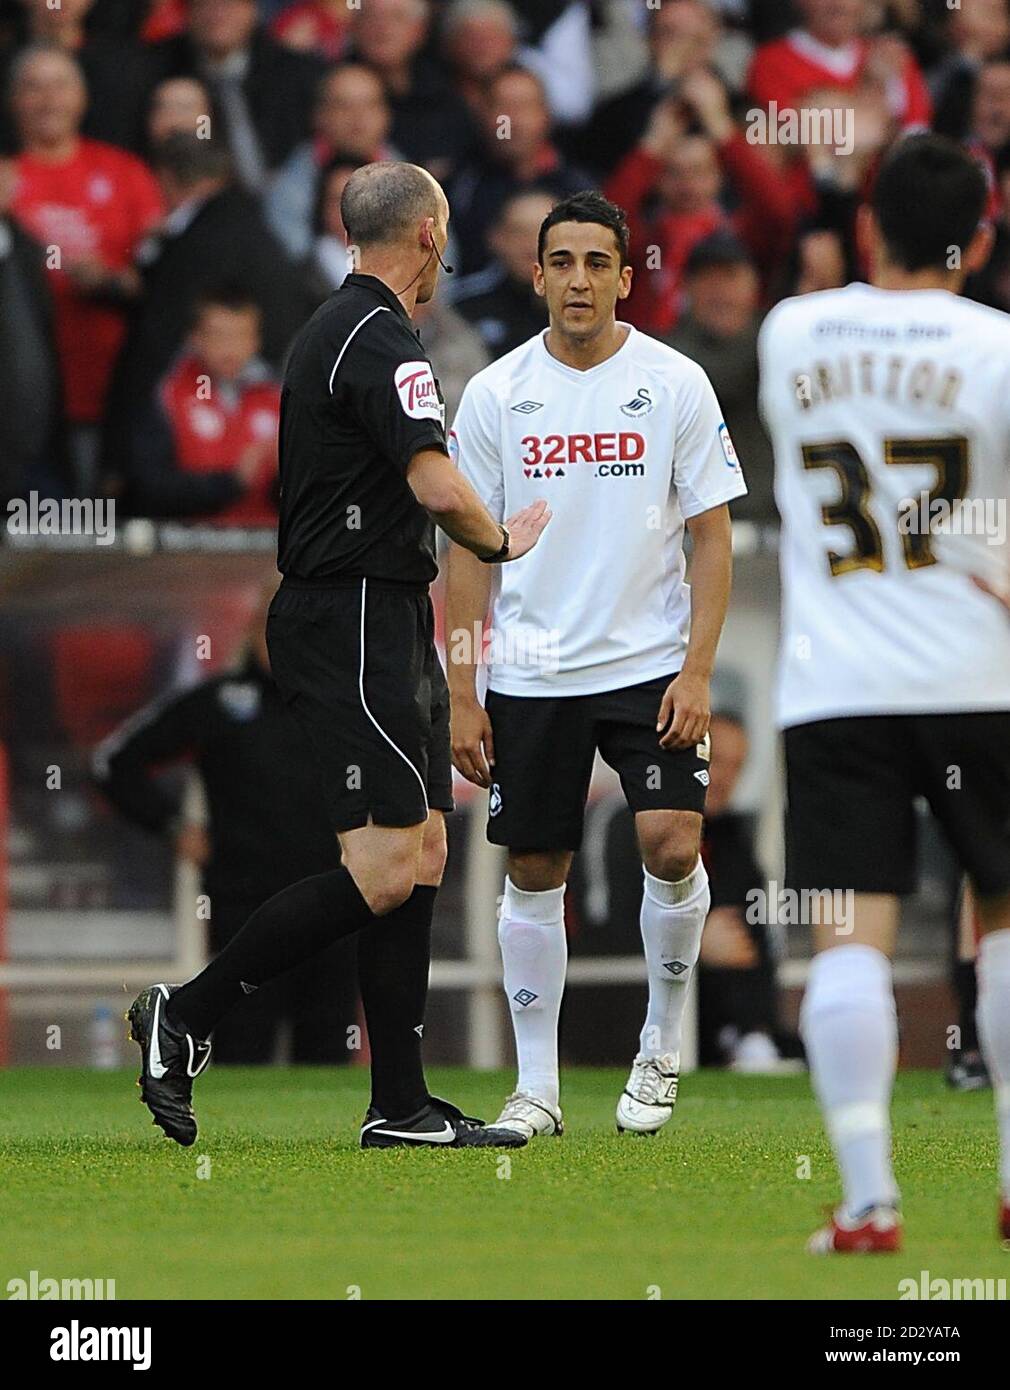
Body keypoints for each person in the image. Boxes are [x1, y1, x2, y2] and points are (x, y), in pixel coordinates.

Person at [126, 160, 551, 1151]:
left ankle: (399, 1103)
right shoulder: (377, 334)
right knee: (385, 861)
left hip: (379, 609)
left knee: (425, 846)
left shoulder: (340, 328)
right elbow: (435, 483)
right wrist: (502, 540)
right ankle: (185, 1014)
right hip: (352, 611)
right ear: (431, 235)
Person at [445, 190, 745, 1141]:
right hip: (532, 673)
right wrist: (462, 687)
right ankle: (537, 1089)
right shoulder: (495, 394)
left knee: (672, 843)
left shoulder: (676, 384)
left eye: (596, 263)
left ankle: (659, 1049)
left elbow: (713, 537)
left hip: (649, 665)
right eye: (561, 262)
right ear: (537, 276)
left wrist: (696, 672)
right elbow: (463, 550)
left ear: (625, 276)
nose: (579, 280)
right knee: (537, 866)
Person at [759, 133, 1010, 1253]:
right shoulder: (998, 347)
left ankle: (866, 1202)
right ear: (984, 236)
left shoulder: (788, 332)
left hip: (837, 684)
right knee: (1000, 925)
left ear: (866, 227)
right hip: (981, 675)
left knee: (846, 940)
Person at [93, 585, 359, 1064]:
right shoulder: (220, 704)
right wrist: (173, 826)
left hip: (337, 912)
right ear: (254, 631)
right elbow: (114, 762)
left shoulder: (347, 710)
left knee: (329, 1060)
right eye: (273, 626)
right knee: (243, 1052)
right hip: (245, 910)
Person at [8, 44, 162, 491]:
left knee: (102, 538)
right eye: (33, 87)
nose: (48, 99)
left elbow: (158, 281)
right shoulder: (4, 181)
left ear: (82, 97)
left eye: (60, 85)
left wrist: (109, 280)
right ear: (13, 100)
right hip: (21, 399)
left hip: (111, 387)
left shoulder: (125, 173)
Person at [129, 284, 281, 523]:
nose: (230, 348)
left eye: (241, 335)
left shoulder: (277, 398)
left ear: (256, 340)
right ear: (195, 338)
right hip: (188, 547)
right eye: (219, 335)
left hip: (265, 550)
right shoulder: (169, 394)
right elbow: (149, 487)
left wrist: (282, 478)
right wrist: (229, 483)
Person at [451, 189, 552, 360]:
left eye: (544, 235)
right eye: (520, 232)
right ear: (496, 238)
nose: (532, 246)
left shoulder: (587, 303)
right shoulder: (461, 305)